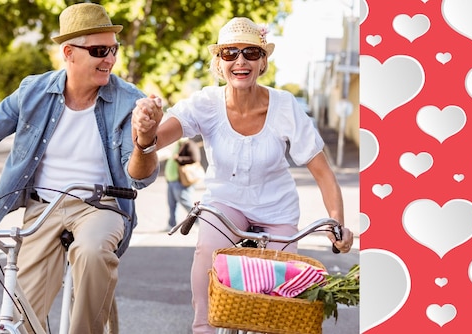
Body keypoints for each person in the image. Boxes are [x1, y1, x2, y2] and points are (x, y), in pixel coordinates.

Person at [129, 17, 355, 334]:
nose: (240, 61)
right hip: (224, 205)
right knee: (207, 250)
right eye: (229, 53)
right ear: (219, 63)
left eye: (250, 52)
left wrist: (337, 224)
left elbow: (323, 174)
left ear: (262, 62)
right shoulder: (205, 103)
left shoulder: (285, 106)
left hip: (277, 209)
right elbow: (157, 139)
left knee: (284, 299)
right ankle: (204, 327)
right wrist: (147, 128)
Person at [0, 3, 160, 333]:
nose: (109, 58)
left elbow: (141, 175)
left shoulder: (127, 100)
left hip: (101, 205)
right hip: (42, 208)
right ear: (69, 53)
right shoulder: (32, 92)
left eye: (113, 49)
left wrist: (145, 139)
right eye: (99, 50)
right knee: (22, 315)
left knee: (92, 253)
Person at [164, 137, 202, 231]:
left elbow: (195, 158)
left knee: (186, 203)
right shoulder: (179, 144)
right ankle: (171, 224)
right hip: (172, 180)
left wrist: (179, 159)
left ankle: (200, 223)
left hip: (181, 181)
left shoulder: (189, 144)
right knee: (171, 204)